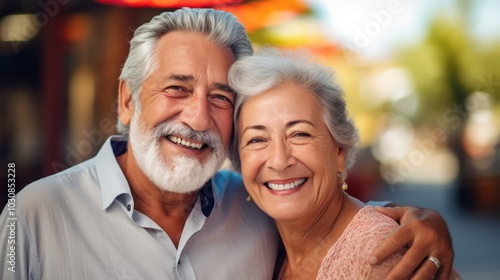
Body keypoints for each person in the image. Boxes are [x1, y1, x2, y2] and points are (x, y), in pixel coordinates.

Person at [0, 7, 452, 280]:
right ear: (126, 100)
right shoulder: (34, 217)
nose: (197, 118)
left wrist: (416, 221)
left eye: (220, 98)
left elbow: (328, 219)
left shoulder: (254, 205)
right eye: (177, 88)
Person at [229, 48, 462, 279]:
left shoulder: (382, 255)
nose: (279, 161)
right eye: (257, 139)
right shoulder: (266, 240)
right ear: (240, 161)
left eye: (300, 134)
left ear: (340, 151)